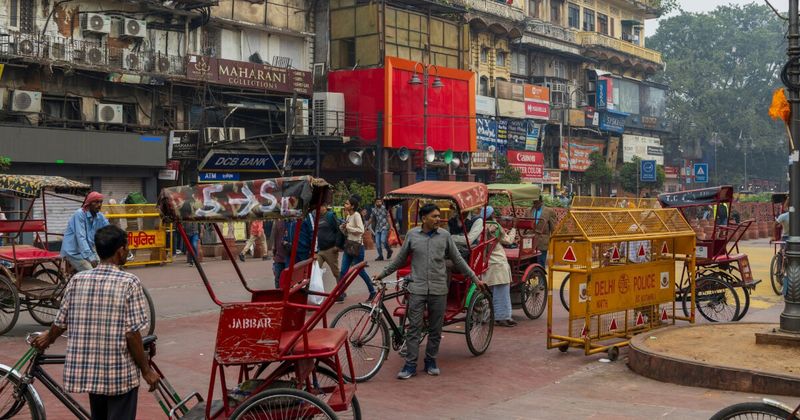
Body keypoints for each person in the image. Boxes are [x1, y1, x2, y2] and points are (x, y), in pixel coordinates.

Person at [32, 225, 160, 420]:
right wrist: (146, 370)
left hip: (91, 375)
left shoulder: (77, 280)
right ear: (120, 251)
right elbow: (132, 334)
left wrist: (48, 338)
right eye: (127, 247)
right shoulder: (129, 282)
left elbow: (61, 322)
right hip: (119, 374)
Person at [374, 203, 483, 380]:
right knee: (414, 328)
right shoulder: (412, 235)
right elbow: (400, 260)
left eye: (438, 216)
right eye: (434, 216)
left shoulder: (445, 236)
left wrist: (475, 278)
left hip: (439, 289)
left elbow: (458, 260)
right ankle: (410, 365)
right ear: (424, 219)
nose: (438, 219)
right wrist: (382, 273)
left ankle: (431, 361)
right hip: (417, 288)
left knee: (435, 329)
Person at [483, 206, 517, 327]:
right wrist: (513, 229)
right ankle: (502, 317)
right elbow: (508, 241)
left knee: (490, 292)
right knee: (502, 292)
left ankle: (491, 315)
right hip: (498, 262)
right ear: (492, 215)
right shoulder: (495, 226)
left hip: (486, 262)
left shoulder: (480, 225)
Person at [61, 191, 110, 272]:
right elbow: (81, 237)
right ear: (89, 203)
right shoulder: (80, 214)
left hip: (89, 248)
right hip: (74, 252)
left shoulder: (99, 216)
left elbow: (109, 229)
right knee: (92, 272)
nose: (99, 205)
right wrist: (91, 258)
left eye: (101, 202)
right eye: (96, 202)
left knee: (102, 268)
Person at [339, 197, 375, 302]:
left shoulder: (356, 215)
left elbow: (361, 230)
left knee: (360, 271)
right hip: (349, 246)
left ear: (352, 206)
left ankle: (372, 291)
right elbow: (348, 233)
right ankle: (340, 293)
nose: (345, 205)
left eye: (347, 204)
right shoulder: (348, 216)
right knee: (343, 271)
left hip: (357, 247)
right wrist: (343, 228)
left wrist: (348, 227)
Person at [316, 204, 342, 282]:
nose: (319, 208)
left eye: (321, 206)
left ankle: (342, 288)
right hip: (320, 250)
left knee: (336, 272)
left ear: (325, 207)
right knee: (315, 270)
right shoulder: (317, 217)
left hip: (331, 249)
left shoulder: (330, 216)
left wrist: (337, 246)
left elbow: (338, 230)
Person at [531, 194, 556, 267]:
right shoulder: (529, 210)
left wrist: (553, 240)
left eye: (537, 203)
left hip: (542, 240)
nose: (535, 205)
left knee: (541, 262)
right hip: (530, 239)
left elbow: (553, 227)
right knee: (531, 262)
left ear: (541, 202)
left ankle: (541, 274)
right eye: (534, 203)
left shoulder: (549, 211)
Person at [272, 220, 289, 288]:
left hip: (284, 255)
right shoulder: (278, 223)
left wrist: (274, 253)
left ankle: (280, 292)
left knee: (279, 278)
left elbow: (275, 239)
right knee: (281, 278)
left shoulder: (278, 223)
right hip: (281, 255)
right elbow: (275, 239)